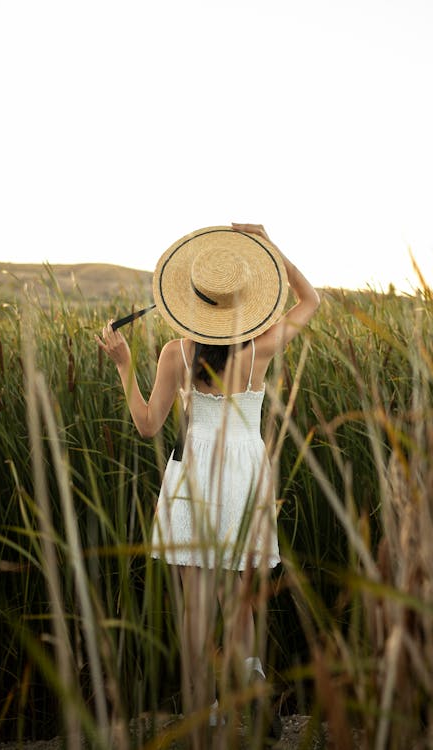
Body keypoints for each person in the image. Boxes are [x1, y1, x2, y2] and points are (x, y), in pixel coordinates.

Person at [96, 223, 320, 733]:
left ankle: (218, 706)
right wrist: (270, 247)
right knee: (234, 595)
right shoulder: (258, 348)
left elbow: (147, 425)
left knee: (199, 597)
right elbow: (311, 302)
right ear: (242, 300)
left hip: (194, 475)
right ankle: (251, 683)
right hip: (245, 472)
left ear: (191, 302)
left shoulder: (177, 352)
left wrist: (123, 364)